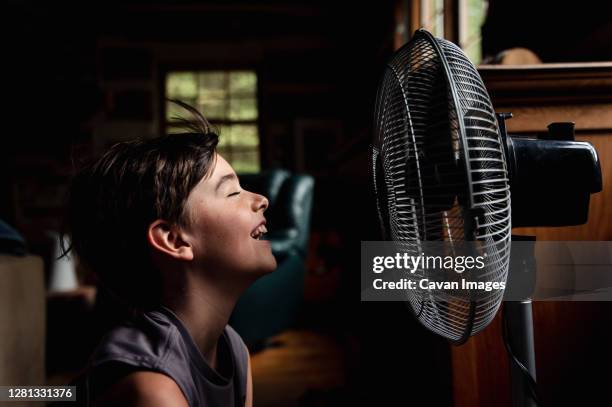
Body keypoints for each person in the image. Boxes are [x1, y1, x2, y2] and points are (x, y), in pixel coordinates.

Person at [61, 100, 276, 406]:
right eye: (232, 192)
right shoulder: (153, 389)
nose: (262, 199)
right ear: (174, 240)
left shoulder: (233, 349)